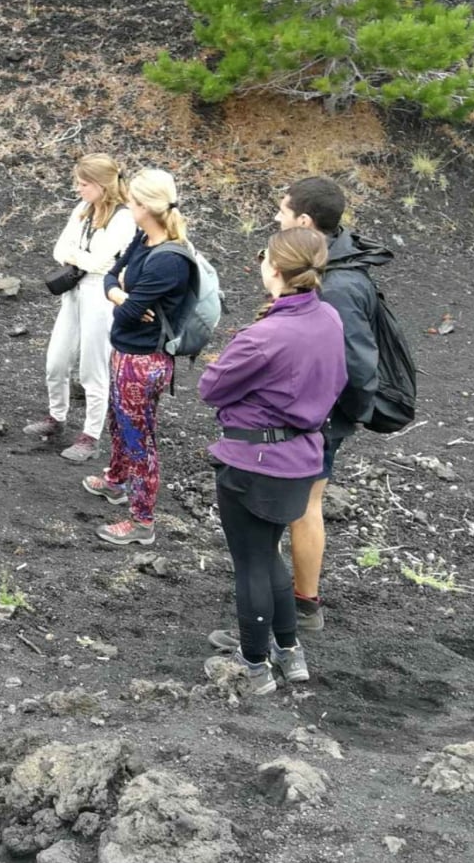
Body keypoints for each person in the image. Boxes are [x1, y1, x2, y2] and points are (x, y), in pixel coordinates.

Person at [199, 228, 348, 694]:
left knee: (251, 563)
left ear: (275, 269)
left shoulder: (263, 336)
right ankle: (289, 651)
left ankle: (254, 666)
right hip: (302, 459)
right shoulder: (329, 319)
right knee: (269, 555)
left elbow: (210, 388)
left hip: (252, 462)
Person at [269, 177, 388, 631]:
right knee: (301, 502)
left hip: (316, 416)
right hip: (313, 412)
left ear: (304, 221)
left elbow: (358, 364)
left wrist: (339, 418)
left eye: (282, 211)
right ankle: (291, 592)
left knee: (306, 504)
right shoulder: (329, 262)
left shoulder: (336, 285)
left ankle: (303, 602)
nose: (277, 219)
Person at [83, 168, 193, 546]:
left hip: (144, 360)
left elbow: (128, 312)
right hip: (126, 351)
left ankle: (142, 520)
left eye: (132, 201)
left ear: (146, 206)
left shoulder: (169, 261)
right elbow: (110, 277)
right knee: (119, 422)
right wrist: (122, 293)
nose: (127, 205)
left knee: (139, 439)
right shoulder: (143, 238)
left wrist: (123, 298)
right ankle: (115, 482)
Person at [23, 153, 137, 462]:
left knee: (93, 367)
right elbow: (60, 249)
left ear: (102, 185)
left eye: (84, 184)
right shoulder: (83, 209)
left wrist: (77, 256)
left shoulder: (125, 218)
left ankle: (90, 436)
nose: (78, 189)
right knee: (56, 361)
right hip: (74, 291)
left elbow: (101, 261)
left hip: (101, 295)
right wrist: (77, 257)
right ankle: (56, 417)